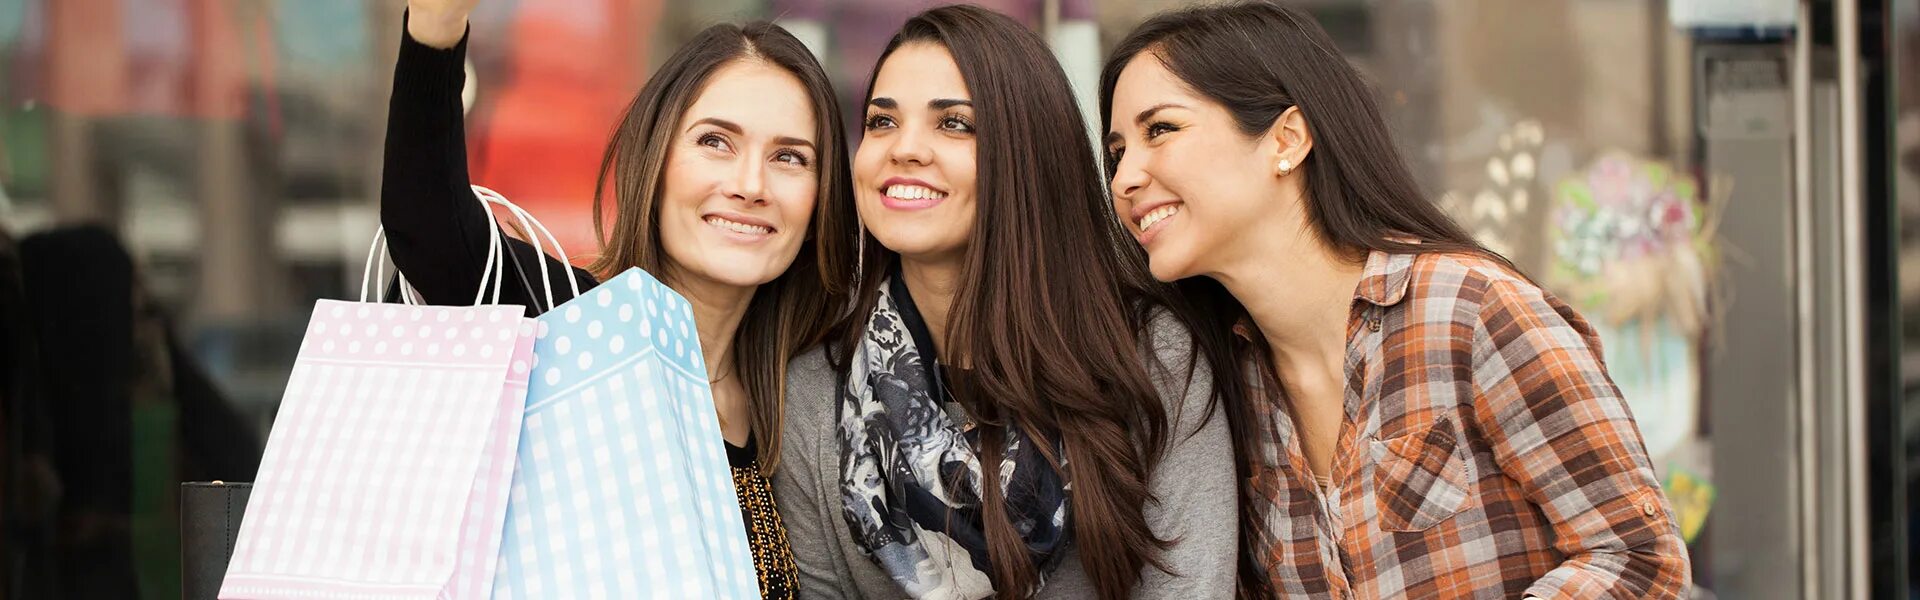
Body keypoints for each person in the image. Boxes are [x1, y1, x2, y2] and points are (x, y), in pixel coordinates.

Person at [1098, 2, 1692, 597]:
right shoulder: (1224, 386)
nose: (1125, 178)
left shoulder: (1469, 310)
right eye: (1119, 150)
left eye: (1161, 130)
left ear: (1287, 138)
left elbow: (1640, 558)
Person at [383, 1, 860, 597]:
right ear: (655, 165)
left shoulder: (803, 404)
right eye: (716, 142)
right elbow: (429, 227)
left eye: (789, 157)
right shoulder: (571, 326)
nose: (750, 185)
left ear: (819, 206)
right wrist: (435, 29)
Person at [774, 6, 1237, 599]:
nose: (903, 149)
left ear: (1027, 154)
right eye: (882, 122)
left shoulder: (1149, 356)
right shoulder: (817, 392)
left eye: (955, 125)